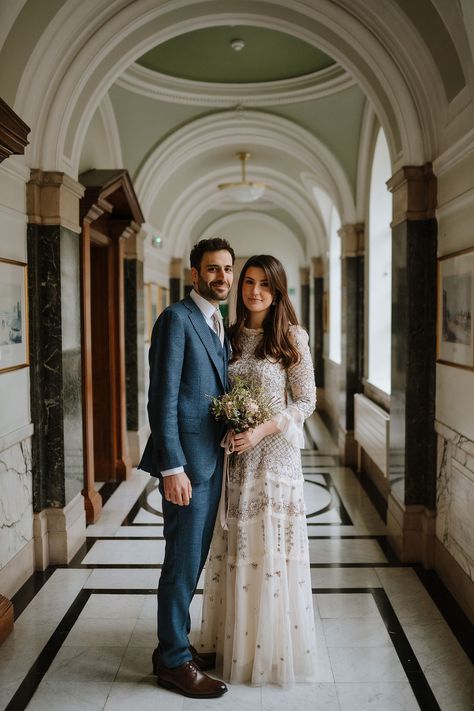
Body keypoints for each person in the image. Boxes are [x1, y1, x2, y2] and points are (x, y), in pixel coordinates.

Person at [199, 254, 317, 686]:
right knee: (238, 548)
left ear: (278, 289)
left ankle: (268, 651)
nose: (254, 291)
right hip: (237, 462)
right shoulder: (228, 337)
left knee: (269, 550)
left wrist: (263, 429)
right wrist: (230, 426)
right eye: (248, 282)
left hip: (275, 461)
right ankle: (237, 647)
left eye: (264, 284)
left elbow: (306, 402)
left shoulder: (291, 337)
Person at [139, 237, 235, 699]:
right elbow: (162, 400)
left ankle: (172, 647)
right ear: (194, 274)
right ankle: (174, 661)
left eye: (227, 270)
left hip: (212, 461)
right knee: (180, 562)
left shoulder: (218, 324)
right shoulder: (176, 319)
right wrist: (171, 467)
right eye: (212, 269)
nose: (222, 277)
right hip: (186, 467)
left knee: (193, 558)